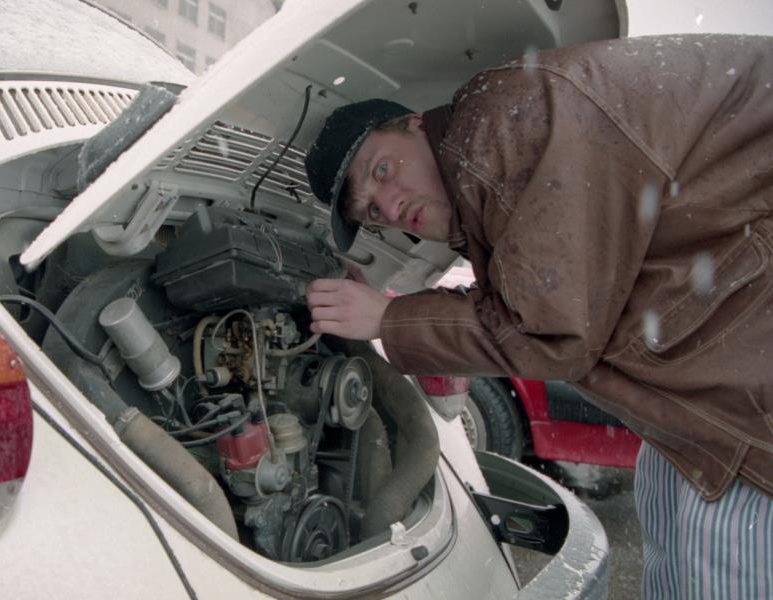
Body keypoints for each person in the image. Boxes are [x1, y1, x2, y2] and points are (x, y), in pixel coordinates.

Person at [303, 34, 772, 599]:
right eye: (373, 213)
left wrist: (387, 320)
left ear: (415, 125)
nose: (391, 205)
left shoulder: (496, 122)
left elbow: (549, 331)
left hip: (746, 412)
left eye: (381, 170)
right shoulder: (490, 173)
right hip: (700, 409)